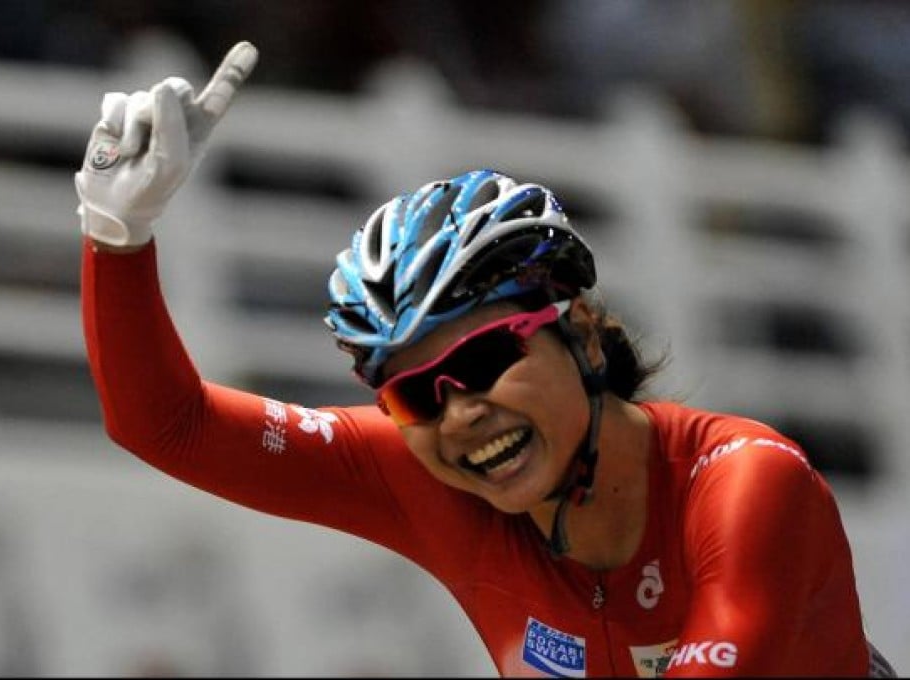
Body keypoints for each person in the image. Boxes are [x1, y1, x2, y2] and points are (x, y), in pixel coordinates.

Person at [75, 41, 896, 678]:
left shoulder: (749, 482)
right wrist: (117, 237)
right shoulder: (431, 482)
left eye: (483, 361)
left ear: (578, 330)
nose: (459, 413)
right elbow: (167, 425)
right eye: (415, 397)